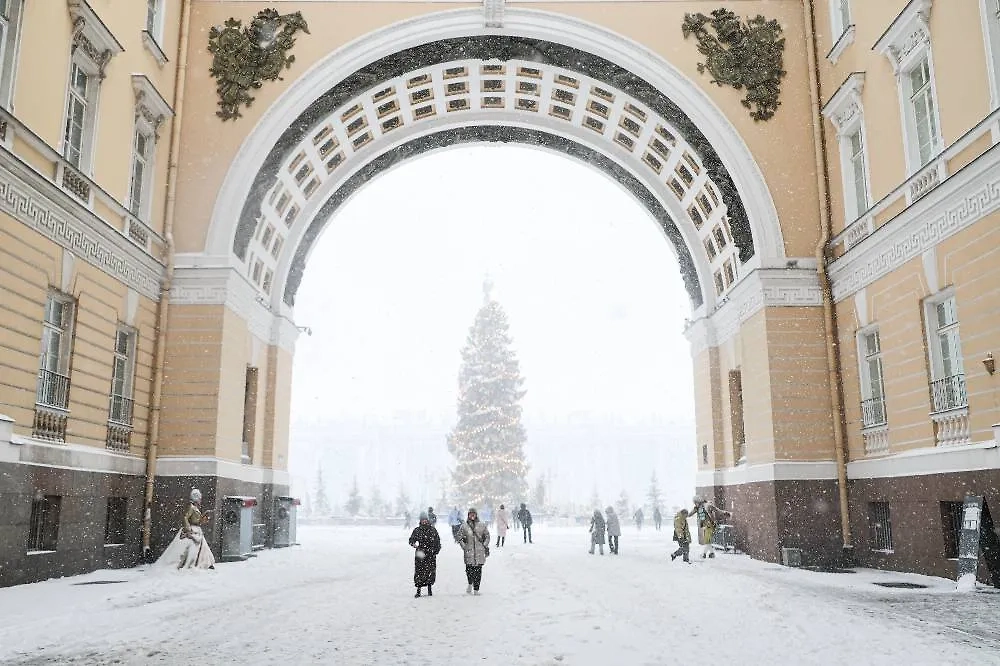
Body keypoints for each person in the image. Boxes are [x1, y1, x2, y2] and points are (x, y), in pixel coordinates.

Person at [156, 488, 216, 570]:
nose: (200, 500)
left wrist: (204, 519)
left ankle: (205, 563)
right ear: (196, 498)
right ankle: (195, 563)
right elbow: (185, 517)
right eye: (199, 498)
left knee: (202, 547)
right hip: (192, 530)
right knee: (191, 549)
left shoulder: (196, 508)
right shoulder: (191, 507)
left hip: (197, 530)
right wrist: (188, 528)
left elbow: (197, 520)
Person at [408, 511, 442, 598]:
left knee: (430, 571)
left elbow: (437, 541)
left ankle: (429, 588)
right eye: (422, 520)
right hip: (420, 552)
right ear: (420, 520)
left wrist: (436, 550)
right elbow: (411, 540)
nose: (424, 521)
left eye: (425, 520)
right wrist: (413, 544)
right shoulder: (417, 530)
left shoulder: (433, 530)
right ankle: (418, 590)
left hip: (430, 552)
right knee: (419, 571)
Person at [458, 508, 490, 595]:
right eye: (470, 514)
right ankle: (470, 583)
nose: (472, 515)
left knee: (478, 572)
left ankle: (476, 589)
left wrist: (485, 545)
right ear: (468, 515)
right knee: (469, 571)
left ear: (476, 515)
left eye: (473, 514)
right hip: (469, 552)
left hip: (479, 552)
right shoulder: (464, 526)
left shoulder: (482, 525)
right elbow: (459, 537)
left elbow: (487, 536)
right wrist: (464, 547)